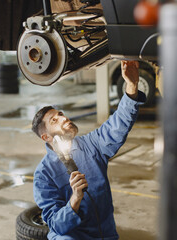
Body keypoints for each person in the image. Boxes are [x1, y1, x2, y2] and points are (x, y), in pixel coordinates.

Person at [32, 60, 146, 240]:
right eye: (54, 121)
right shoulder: (44, 174)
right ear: (46, 137)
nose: (62, 118)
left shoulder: (91, 145)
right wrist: (75, 199)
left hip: (105, 233)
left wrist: (132, 85)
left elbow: (117, 125)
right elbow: (56, 225)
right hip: (72, 236)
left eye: (60, 114)